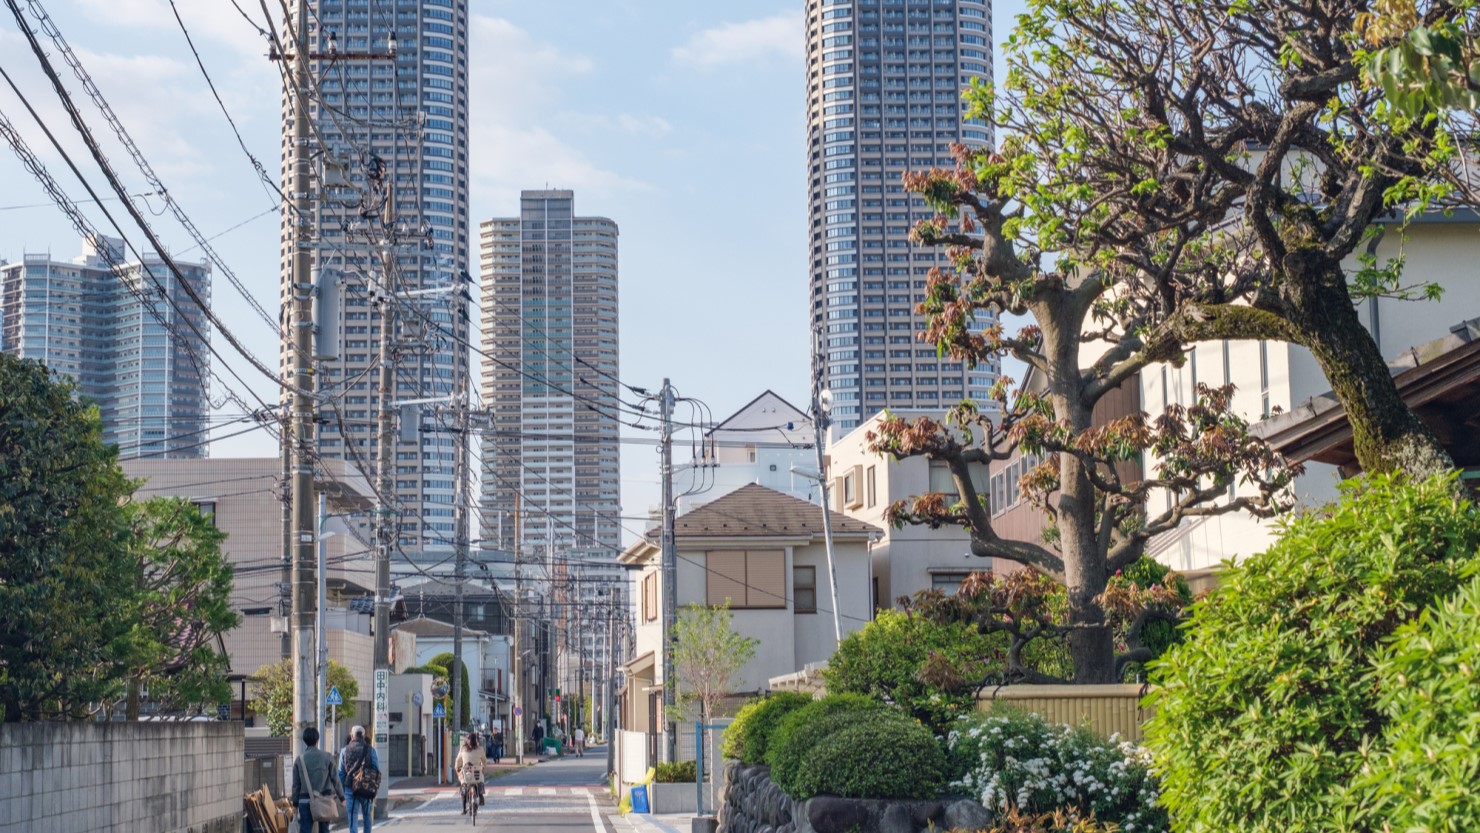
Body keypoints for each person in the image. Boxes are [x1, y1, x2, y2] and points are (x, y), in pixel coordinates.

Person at [291, 727, 343, 833]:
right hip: (324, 800)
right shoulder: (327, 757)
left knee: (305, 830)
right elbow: (335, 779)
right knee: (324, 830)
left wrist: (295, 804)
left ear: (304, 741)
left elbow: (296, 785)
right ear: (317, 740)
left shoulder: (299, 760)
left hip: (305, 801)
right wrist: (342, 797)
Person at [338, 725, 381, 833]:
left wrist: (342, 792)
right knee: (367, 815)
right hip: (366, 787)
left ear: (352, 736)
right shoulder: (370, 750)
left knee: (352, 816)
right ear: (363, 735)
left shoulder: (344, 750)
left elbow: (341, 773)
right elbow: (376, 769)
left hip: (350, 788)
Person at [454, 731, 487, 814]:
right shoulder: (480, 749)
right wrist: (483, 766)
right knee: (480, 780)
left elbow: (458, 761)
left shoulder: (463, 749)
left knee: (463, 786)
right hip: (476, 773)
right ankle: (481, 794)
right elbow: (484, 761)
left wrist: (457, 768)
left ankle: (464, 808)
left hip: (466, 773)